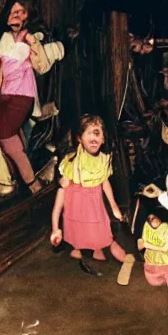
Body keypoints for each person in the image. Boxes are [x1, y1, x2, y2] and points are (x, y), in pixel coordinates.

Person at [50, 114, 135, 283]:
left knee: (105, 238)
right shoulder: (71, 163)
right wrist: (55, 227)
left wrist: (114, 207)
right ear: (79, 139)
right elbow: (61, 195)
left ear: (103, 139)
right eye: (89, 133)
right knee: (79, 237)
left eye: (98, 134)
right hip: (75, 211)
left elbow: (105, 184)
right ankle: (82, 250)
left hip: (94, 209)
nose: (94, 137)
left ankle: (125, 259)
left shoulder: (103, 161)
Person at [0, 0, 42, 194]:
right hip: (7, 95)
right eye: (12, 12)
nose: (16, 15)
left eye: (21, 12)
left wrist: (7, 61)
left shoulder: (31, 36)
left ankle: (32, 185)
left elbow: (12, 65)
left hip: (21, 95)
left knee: (4, 136)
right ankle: (20, 181)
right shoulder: (5, 37)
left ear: (28, 16)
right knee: (7, 139)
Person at [138, 209, 168, 301]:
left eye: (154, 217)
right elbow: (139, 246)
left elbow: (165, 249)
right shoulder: (145, 225)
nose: (152, 220)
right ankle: (167, 279)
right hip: (152, 265)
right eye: (150, 218)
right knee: (153, 282)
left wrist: (146, 245)